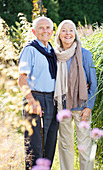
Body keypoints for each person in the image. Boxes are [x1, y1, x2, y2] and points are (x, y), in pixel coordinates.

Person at [54, 20, 97, 170]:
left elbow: (93, 82)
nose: (67, 33)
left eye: (70, 30)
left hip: (81, 106)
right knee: (65, 145)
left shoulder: (84, 54)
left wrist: (89, 106)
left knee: (84, 145)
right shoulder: (55, 55)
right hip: (63, 106)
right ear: (59, 34)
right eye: (64, 30)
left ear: (75, 34)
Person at [18, 16, 59, 170]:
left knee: (49, 145)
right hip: (35, 99)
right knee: (35, 146)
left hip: (51, 100)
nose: (45, 31)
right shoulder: (30, 49)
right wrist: (31, 101)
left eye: (48, 27)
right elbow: (22, 79)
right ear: (34, 31)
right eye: (41, 28)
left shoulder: (51, 51)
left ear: (52, 31)